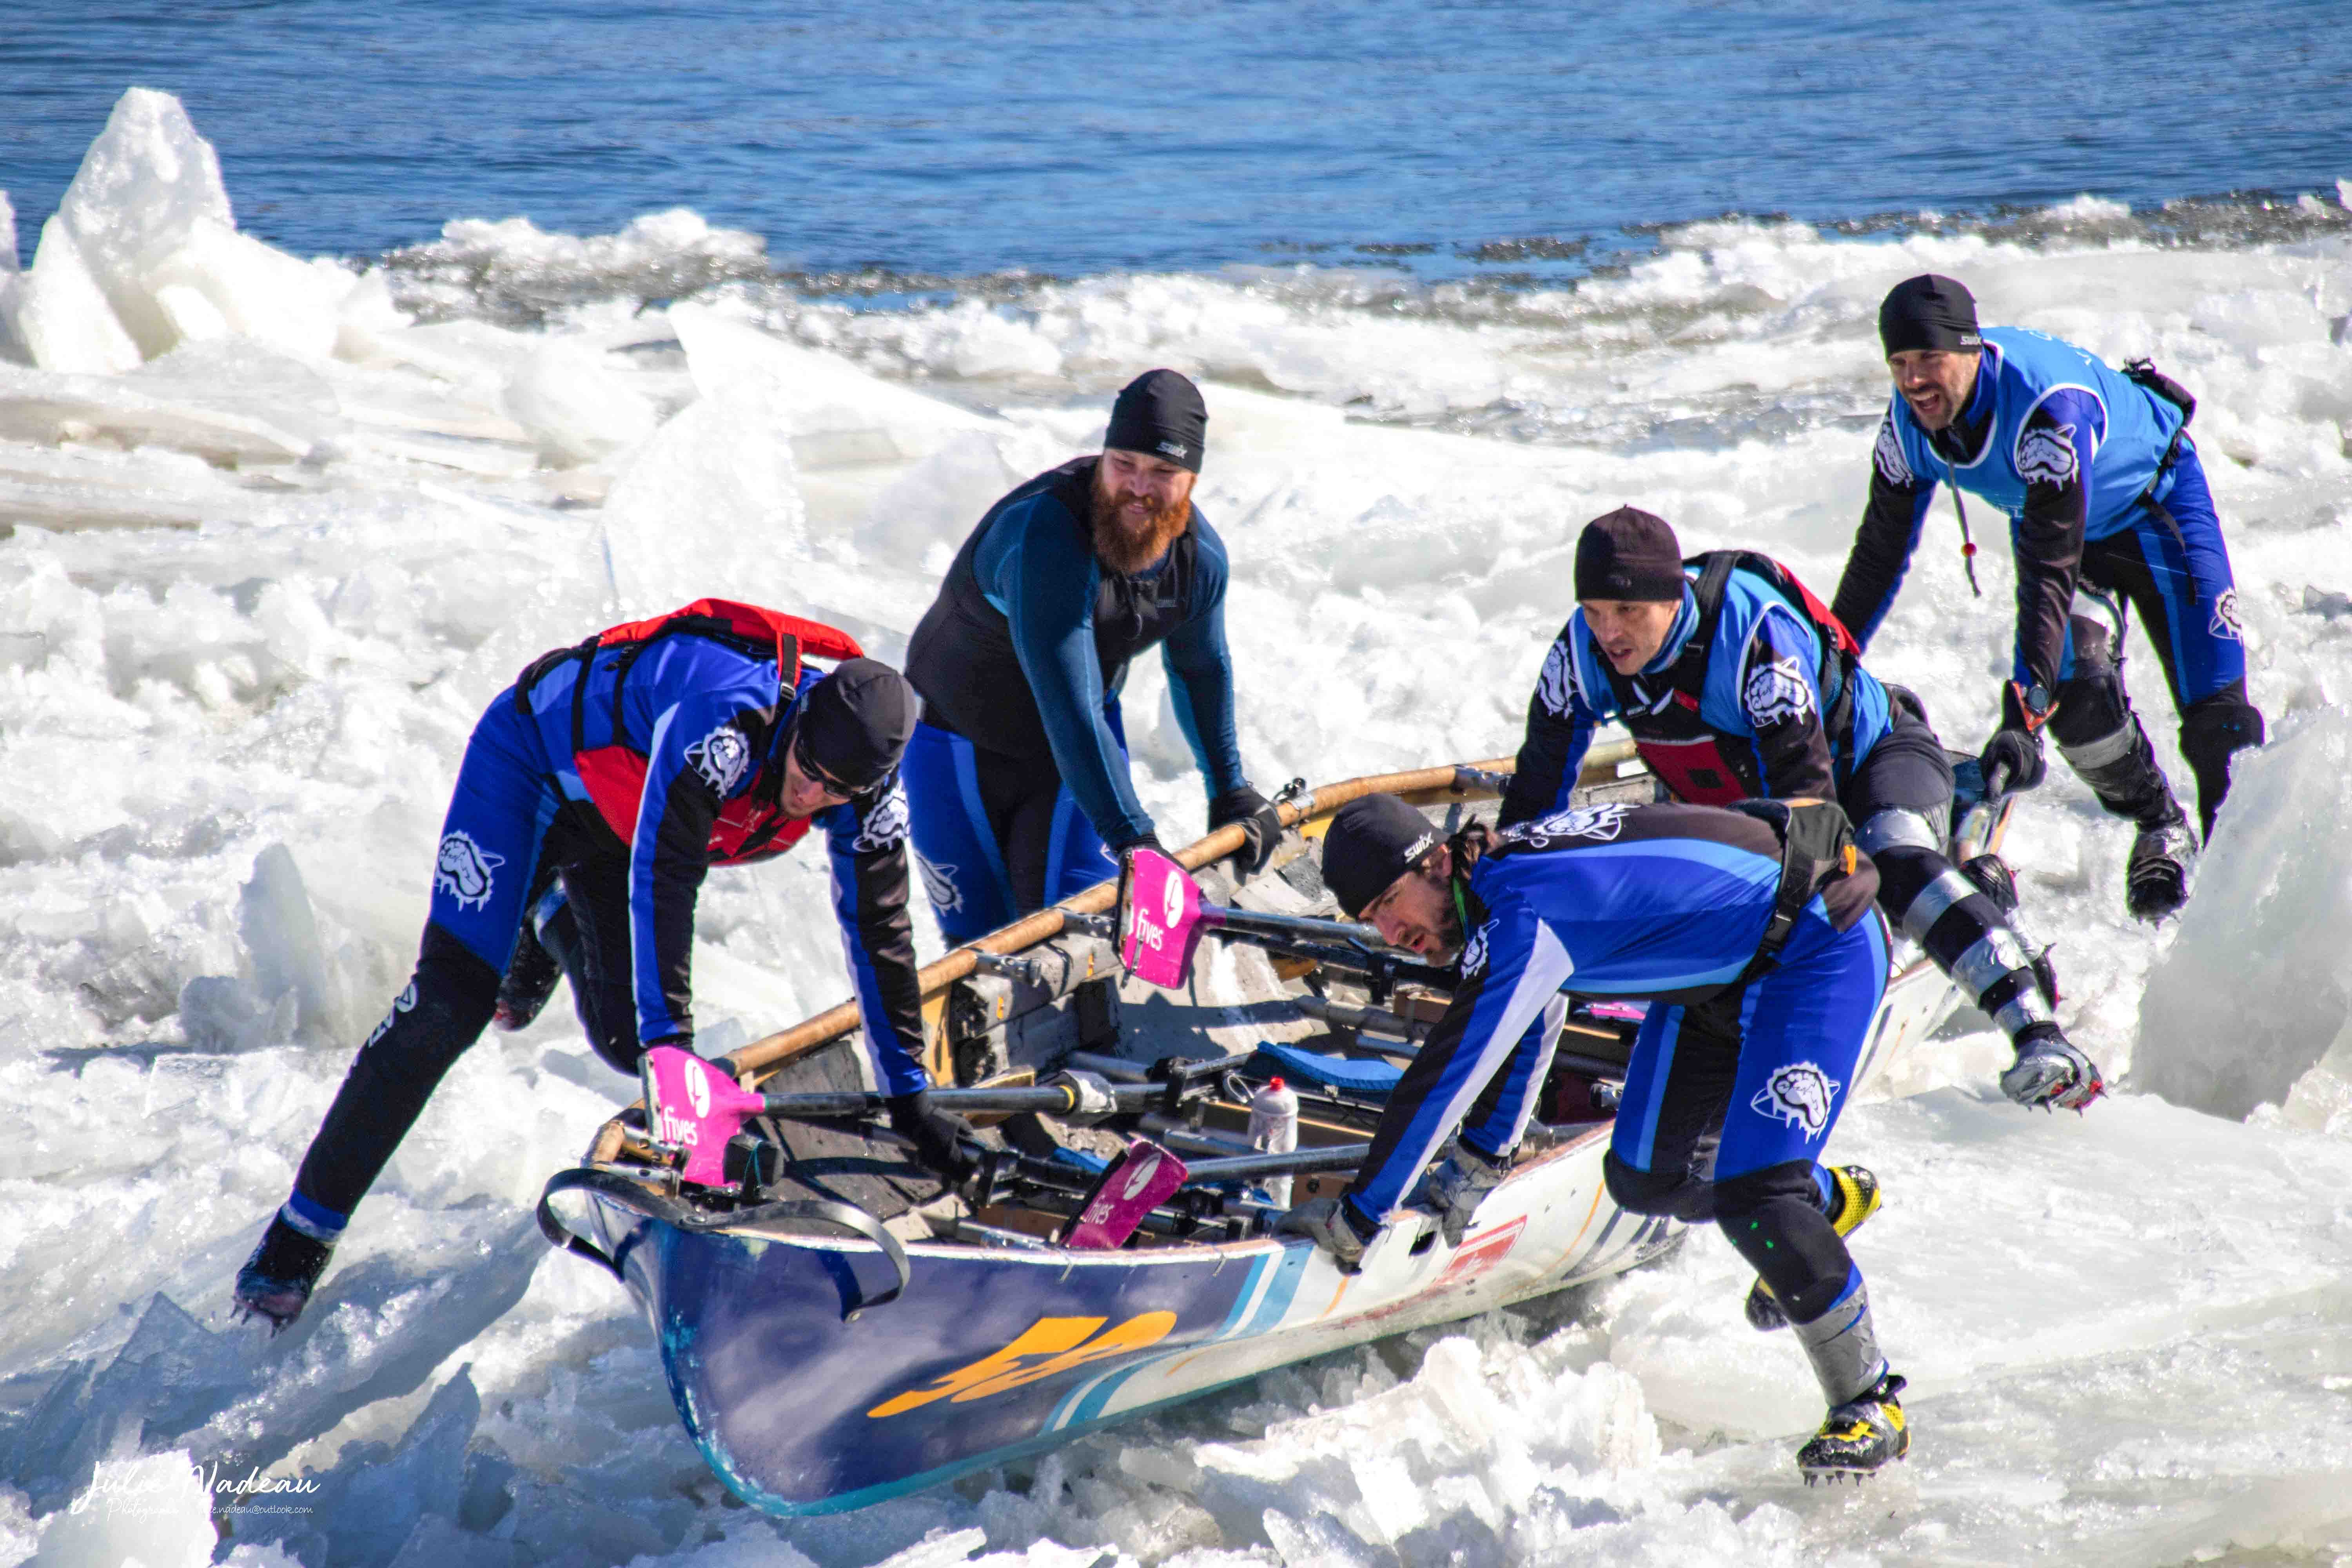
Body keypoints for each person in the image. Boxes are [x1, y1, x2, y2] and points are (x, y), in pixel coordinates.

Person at [234, 600, 961, 1331]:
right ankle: (295, 1244)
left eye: (837, 791)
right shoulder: (729, 718)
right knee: (449, 1009)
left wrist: (909, 1094)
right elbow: (668, 875)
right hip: (535, 771)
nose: (811, 797)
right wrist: (674, 1048)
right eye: (809, 771)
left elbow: (880, 929)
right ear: (797, 720)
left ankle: (547, 908)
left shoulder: (869, 792)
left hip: (624, 823)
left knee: (624, 1043)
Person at [1284, 791, 1909, 1479]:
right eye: (1370, 919)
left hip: (1820, 945)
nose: (1387, 932)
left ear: (1435, 862)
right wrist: (1485, 1156)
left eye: (1386, 904)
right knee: (1646, 1178)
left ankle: (1870, 1401)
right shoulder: (1494, 890)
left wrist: (1361, 1214)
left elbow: (1447, 1075)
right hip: (1718, 981)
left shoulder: (1521, 910)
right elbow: (1532, 1014)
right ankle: (1823, 1205)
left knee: (1757, 1196)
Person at [1502, 506, 2102, 1117]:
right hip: (1742, 795)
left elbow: (1813, 820)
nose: (1609, 632)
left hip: (1872, 763)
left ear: (1675, 598)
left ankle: (2039, 1037)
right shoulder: (1580, 651)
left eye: (1628, 612)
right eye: (1596, 612)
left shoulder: (1754, 636)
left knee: (1886, 864)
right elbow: (1532, 802)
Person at [1831, 274, 2265, 920]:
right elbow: (1877, 557)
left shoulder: (2047, 413)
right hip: (2062, 532)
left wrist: (2019, 709)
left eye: (1930, 360)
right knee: (2077, 706)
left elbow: (2049, 569)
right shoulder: (1907, 424)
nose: (1914, 380)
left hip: (2158, 514)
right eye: (1899, 363)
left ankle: (2244, 910)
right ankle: (2159, 824)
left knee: (2219, 732)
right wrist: (1825, 665)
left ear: (1972, 352)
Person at [901, 369, 1282, 943]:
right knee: (983, 958)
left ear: (1194, 479)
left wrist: (1228, 788)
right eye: (1123, 463)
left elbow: (1201, 669)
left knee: (1087, 941)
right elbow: (1069, 706)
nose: (1138, 487)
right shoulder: (1048, 537)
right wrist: (1136, 840)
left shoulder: (1201, 563)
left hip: (1074, 759)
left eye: (1163, 472)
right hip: (956, 751)